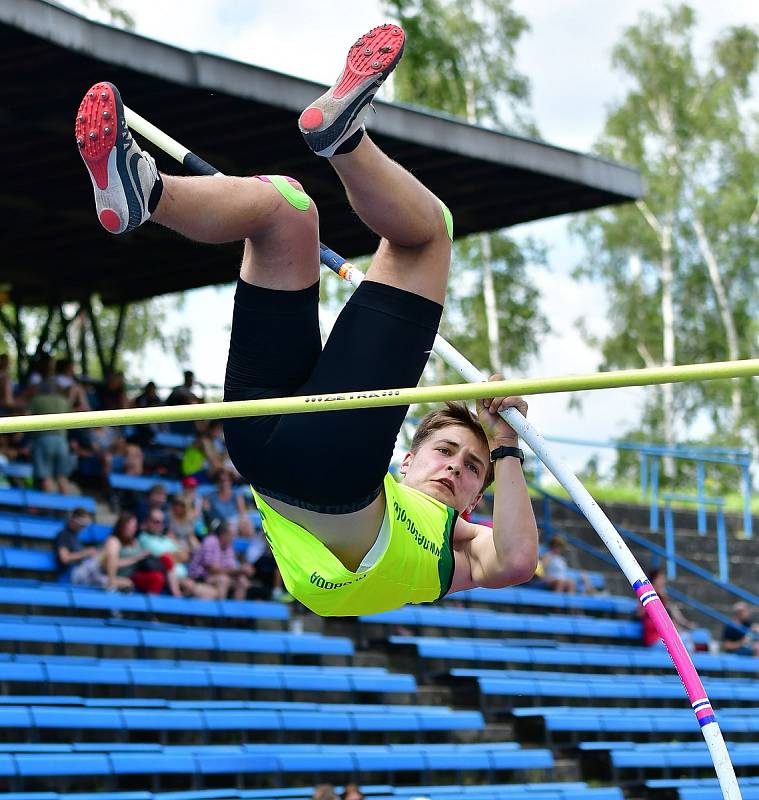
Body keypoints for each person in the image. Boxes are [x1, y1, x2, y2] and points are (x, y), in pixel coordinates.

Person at [74, 23, 538, 617]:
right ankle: (146, 192)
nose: (455, 468)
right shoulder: (394, 485)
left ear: (477, 497)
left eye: (472, 469)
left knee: (428, 240)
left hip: (316, 468)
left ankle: (347, 141)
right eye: (446, 451)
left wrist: (505, 446)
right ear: (408, 457)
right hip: (285, 435)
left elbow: (519, 559)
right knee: (285, 208)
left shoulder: (458, 550)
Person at [27, 378, 75, 494]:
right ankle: (66, 509)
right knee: (62, 478)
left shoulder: (36, 400)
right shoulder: (63, 401)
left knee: (46, 477)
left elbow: (26, 417)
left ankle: (51, 510)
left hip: (43, 440)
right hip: (61, 442)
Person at [188, 520, 252, 600]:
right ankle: (221, 610)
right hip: (201, 577)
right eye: (231, 535)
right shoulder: (210, 541)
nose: (233, 538)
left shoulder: (228, 546)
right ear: (223, 535)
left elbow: (230, 567)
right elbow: (212, 569)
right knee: (223, 580)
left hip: (216, 576)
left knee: (242, 581)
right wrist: (239, 570)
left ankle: (236, 611)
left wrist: (242, 571)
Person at [639, 568, 697, 648]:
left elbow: (671, 613)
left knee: (686, 638)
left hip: (663, 636)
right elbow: (641, 613)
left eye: (663, 578)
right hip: (654, 639)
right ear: (654, 580)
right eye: (660, 578)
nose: (663, 581)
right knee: (685, 642)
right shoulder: (647, 596)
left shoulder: (662, 596)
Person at [53, 507, 96, 581]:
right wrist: (85, 553)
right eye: (81, 525)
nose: (82, 528)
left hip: (82, 571)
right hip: (70, 574)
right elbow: (65, 558)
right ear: (73, 521)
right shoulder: (63, 535)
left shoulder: (75, 536)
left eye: (84, 525)